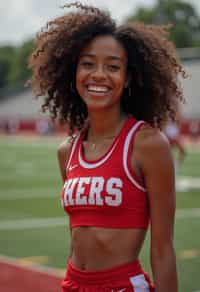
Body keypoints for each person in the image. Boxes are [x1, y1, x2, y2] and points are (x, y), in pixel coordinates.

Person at [29, 2, 186, 291]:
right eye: (88, 64)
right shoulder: (67, 150)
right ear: (72, 72)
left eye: (113, 67)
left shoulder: (148, 144)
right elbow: (76, 236)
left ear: (127, 78)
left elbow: (163, 249)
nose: (98, 75)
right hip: (73, 283)